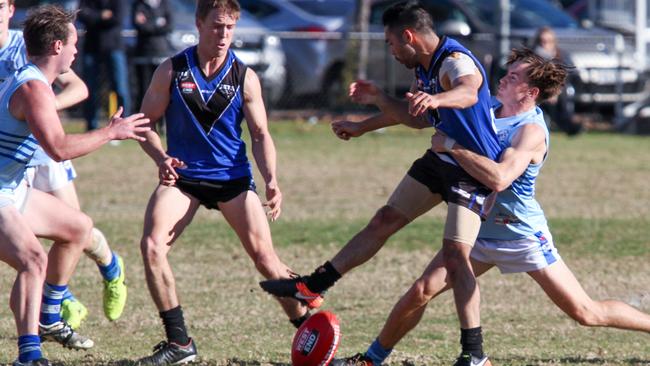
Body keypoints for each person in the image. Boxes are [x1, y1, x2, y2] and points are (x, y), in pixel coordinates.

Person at [331, 48, 650, 365]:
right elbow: (422, 114)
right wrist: (363, 125)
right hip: (477, 230)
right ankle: (371, 359)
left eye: (513, 77)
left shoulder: (531, 132)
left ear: (531, 91)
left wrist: (452, 148)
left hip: (520, 234)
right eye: (507, 73)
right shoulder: (487, 108)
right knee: (420, 291)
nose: (503, 79)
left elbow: (499, 178)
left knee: (586, 313)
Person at [260, 2, 501, 365]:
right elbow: (418, 119)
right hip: (441, 158)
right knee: (383, 220)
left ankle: (475, 354)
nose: (390, 51)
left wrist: (436, 97)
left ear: (408, 36)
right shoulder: (425, 66)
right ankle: (313, 286)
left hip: (473, 169)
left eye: (390, 43)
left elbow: (469, 90)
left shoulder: (454, 60)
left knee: (455, 258)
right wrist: (369, 114)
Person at [134, 0, 309, 364]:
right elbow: (146, 123)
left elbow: (261, 135)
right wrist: (161, 157)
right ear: (199, 24)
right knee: (152, 246)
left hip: (232, 180)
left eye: (229, 27)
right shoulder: (172, 70)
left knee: (267, 262)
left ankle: (313, 334)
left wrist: (272, 179)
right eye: (216, 26)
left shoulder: (245, 77)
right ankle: (179, 342)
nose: (223, 34)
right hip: (183, 179)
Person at [0, 5, 149, 365]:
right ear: (56, 47)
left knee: (78, 227)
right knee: (33, 260)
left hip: (11, 187)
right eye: (73, 44)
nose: (76, 51)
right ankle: (29, 355)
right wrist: (112, 132)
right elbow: (59, 148)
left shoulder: (36, 81)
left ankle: (49, 315)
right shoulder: (34, 88)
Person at [78, 0, 131, 131]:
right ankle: (91, 126)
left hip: (114, 47)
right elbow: (82, 15)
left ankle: (123, 125)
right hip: (92, 47)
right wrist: (101, 15)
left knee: (120, 88)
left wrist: (94, 17)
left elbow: (118, 17)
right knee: (89, 88)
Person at [532, 26, 580, 136]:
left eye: (548, 41)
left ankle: (567, 123)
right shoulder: (533, 57)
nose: (545, 44)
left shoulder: (561, 55)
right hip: (538, 91)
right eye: (542, 41)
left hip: (559, 91)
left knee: (560, 97)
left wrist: (555, 90)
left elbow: (569, 74)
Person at [132, 0, 173, 112]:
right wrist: (157, 23)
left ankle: (162, 122)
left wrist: (148, 23)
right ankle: (143, 122)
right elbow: (139, 26)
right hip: (143, 55)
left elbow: (169, 26)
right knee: (144, 91)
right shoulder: (138, 5)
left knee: (163, 92)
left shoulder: (164, 4)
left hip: (161, 55)